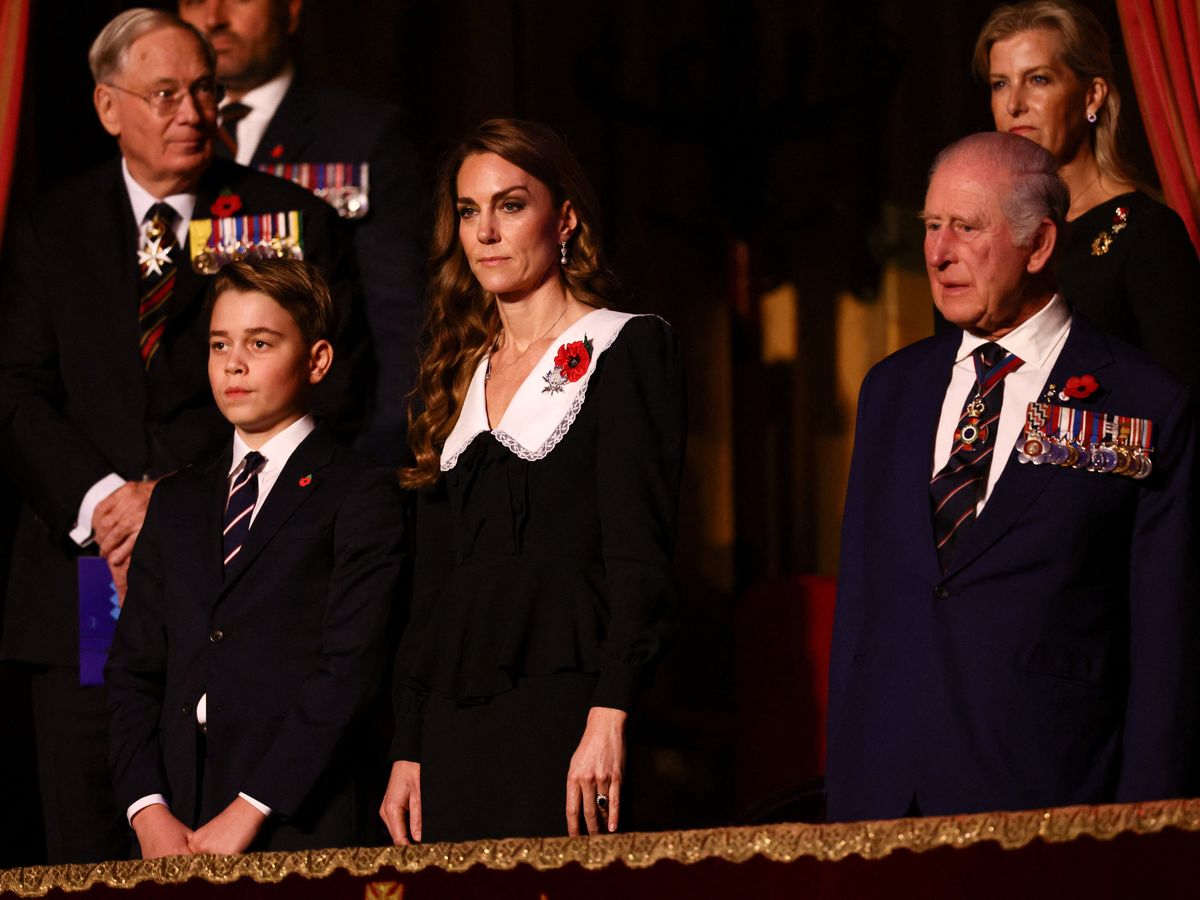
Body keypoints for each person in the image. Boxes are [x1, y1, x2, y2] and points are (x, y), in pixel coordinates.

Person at [0, 8, 360, 863]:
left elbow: (335, 389)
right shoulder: (54, 226)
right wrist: (107, 504)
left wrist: (176, 500)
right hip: (92, 578)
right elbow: (15, 392)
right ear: (107, 106)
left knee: (220, 836)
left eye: (204, 89)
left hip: (235, 571)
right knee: (93, 823)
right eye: (165, 94)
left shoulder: (287, 219)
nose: (193, 111)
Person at [826, 132, 1199, 822]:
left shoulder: (1145, 403)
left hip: (1048, 797)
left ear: (1040, 244)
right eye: (933, 226)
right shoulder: (892, 389)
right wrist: (846, 793)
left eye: (967, 227)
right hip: (885, 801)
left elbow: (1166, 645)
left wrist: (1149, 827)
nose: (939, 253)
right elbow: (861, 612)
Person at [379, 118, 686, 844]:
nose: (486, 231)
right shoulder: (454, 375)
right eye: (468, 210)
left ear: (565, 218)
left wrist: (611, 713)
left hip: (568, 704)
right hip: (455, 717)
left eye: (511, 205)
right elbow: (431, 590)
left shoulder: (624, 346)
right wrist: (407, 744)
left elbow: (639, 555)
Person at [106, 258, 405, 857]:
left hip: (300, 821)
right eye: (220, 344)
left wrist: (253, 806)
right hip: (179, 822)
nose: (233, 363)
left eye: (260, 343)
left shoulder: (360, 492)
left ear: (317, 360)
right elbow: (133, 670)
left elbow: (350, 669)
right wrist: (147, 810)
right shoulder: (176, 500)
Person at [178, 0, 426, 463]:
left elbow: (402, 326)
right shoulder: (164, 142)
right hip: (191, 468)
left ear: (290, 11)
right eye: (194, 0)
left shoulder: (360, 135)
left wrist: (372, 465)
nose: (213, 17)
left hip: (326, 455)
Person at [973, 0, 1200, 385]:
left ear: (1092, 95)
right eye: (1000, 84)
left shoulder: (1147, 232)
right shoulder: (981, 233)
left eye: (1038, 79)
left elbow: (1184, 403)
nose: (1013, 104)